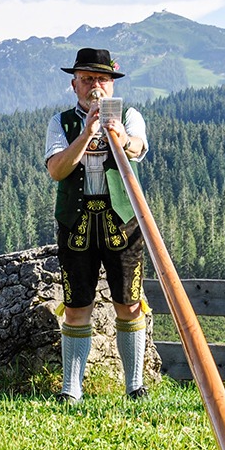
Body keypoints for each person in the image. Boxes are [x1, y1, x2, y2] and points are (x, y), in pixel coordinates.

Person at [44, 48, 150, 404]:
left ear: (112, 84)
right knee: (76, 305)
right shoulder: (61, 123)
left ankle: (134, 386)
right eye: (87, 79)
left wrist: (116, 134)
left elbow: (137, 147)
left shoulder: (129, 116)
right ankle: (71, 389)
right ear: (74, 84)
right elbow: (57, 170)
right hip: (76, 221)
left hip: (121, 220)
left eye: (102, 79)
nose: (95, 86)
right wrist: (87, 133)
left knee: (129, 301)